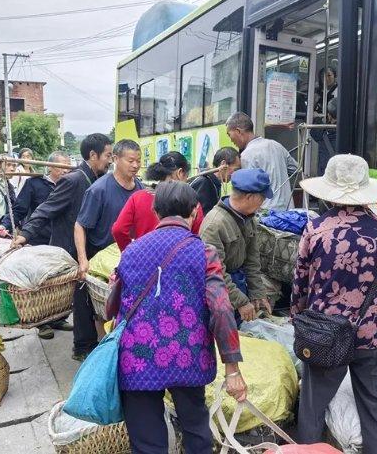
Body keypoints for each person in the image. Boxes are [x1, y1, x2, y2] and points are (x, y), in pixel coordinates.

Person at [116, 180, 246, 454]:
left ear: (155, 211)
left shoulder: (130, 251)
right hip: (188, 355)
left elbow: (112, 305)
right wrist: (232, 368)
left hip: (137, 357)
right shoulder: (203, 252)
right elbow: (221, 309)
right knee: (196, 431)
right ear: (195, 211)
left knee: (147, 443)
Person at [292, 154, 377, 454]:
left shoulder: (316, 229)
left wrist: (299, 319)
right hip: (373, 334)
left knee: (313, 408)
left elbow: (300, 283)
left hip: (325, 335)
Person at [12, 133, 113, 354]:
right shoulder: (74, 180)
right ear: (93, 155)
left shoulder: (98, 179)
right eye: (108, 155)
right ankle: (83, 347)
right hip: (70, 249)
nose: (110, 160)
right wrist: (25, 234)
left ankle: (85, 340)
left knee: (86, 299)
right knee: (82, 298)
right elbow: (45, 208)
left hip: (89, 248)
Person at [199, 168, 273, 325]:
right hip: (219, 289)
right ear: (249, 197)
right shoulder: (214, 224)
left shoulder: (249, 218)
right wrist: (240, 302)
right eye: (262, 198)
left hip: (238, 283)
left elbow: (252, 261)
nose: (263, 204)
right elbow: (215, 272)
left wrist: (257, 293)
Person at [75, 139, 142, 279]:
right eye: (130, 161)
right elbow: (80, 225)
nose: (135, 165)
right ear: (116, 159)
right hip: (102, 262)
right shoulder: (98, 190)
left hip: (131, 260)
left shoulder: (140, 188)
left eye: (139, 161)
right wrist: (83, 260)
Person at [112, 152, 203, 251]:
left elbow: (118, 230)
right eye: (186, 177)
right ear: (180, 173)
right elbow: (198, 237)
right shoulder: (191, 202)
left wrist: (130, 252)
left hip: (144, 261)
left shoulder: (138, 197)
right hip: (178, 261)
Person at [226, 112, 298, 211]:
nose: (231, 140)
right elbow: (296, 169)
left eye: (229, 135)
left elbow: (248, 193)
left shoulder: (246, 156)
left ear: (238, 131)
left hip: (266, 217)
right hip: (289, 213)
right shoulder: (276, 145)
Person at [0, 151, 72, 245]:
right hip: (39, 239)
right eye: (61, 166)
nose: (65, 170)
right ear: (49, 166)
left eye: (68, 167)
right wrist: (4, 225)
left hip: (65, 240)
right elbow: (19, 210)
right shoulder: (34, 183)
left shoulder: (71, 185)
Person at [190, 146, 240, 215]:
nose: (236, 174)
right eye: (235, 170)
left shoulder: (214, 183)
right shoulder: (204, 182)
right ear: (223, 164)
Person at [311, 97, 337, 177]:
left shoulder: (323, 134)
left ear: (329, 116)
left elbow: (315, 131)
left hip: (325, 178)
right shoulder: (352, 134)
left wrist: (316, 118)